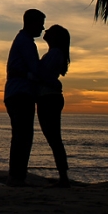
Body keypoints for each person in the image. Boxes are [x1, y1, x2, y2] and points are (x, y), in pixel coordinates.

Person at [4, 8, 45, 186]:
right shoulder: (26, 43)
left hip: (16, 93)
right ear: (31, 23)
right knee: (23, 135)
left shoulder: (22, 41)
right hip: (20, 93)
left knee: (20, 135)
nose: (42, 28)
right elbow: (35, 69)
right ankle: (18, 176)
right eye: (40, 24)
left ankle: (17, 174)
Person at [36, 24, 71, 187]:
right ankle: (63, 175)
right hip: (48, 97)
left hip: (49, 98)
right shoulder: (53, 54)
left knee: (54, 138)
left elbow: (43, 75)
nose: (45, 30)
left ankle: (63, 177)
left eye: (50, 30)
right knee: (54, 138)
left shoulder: (55, 54)